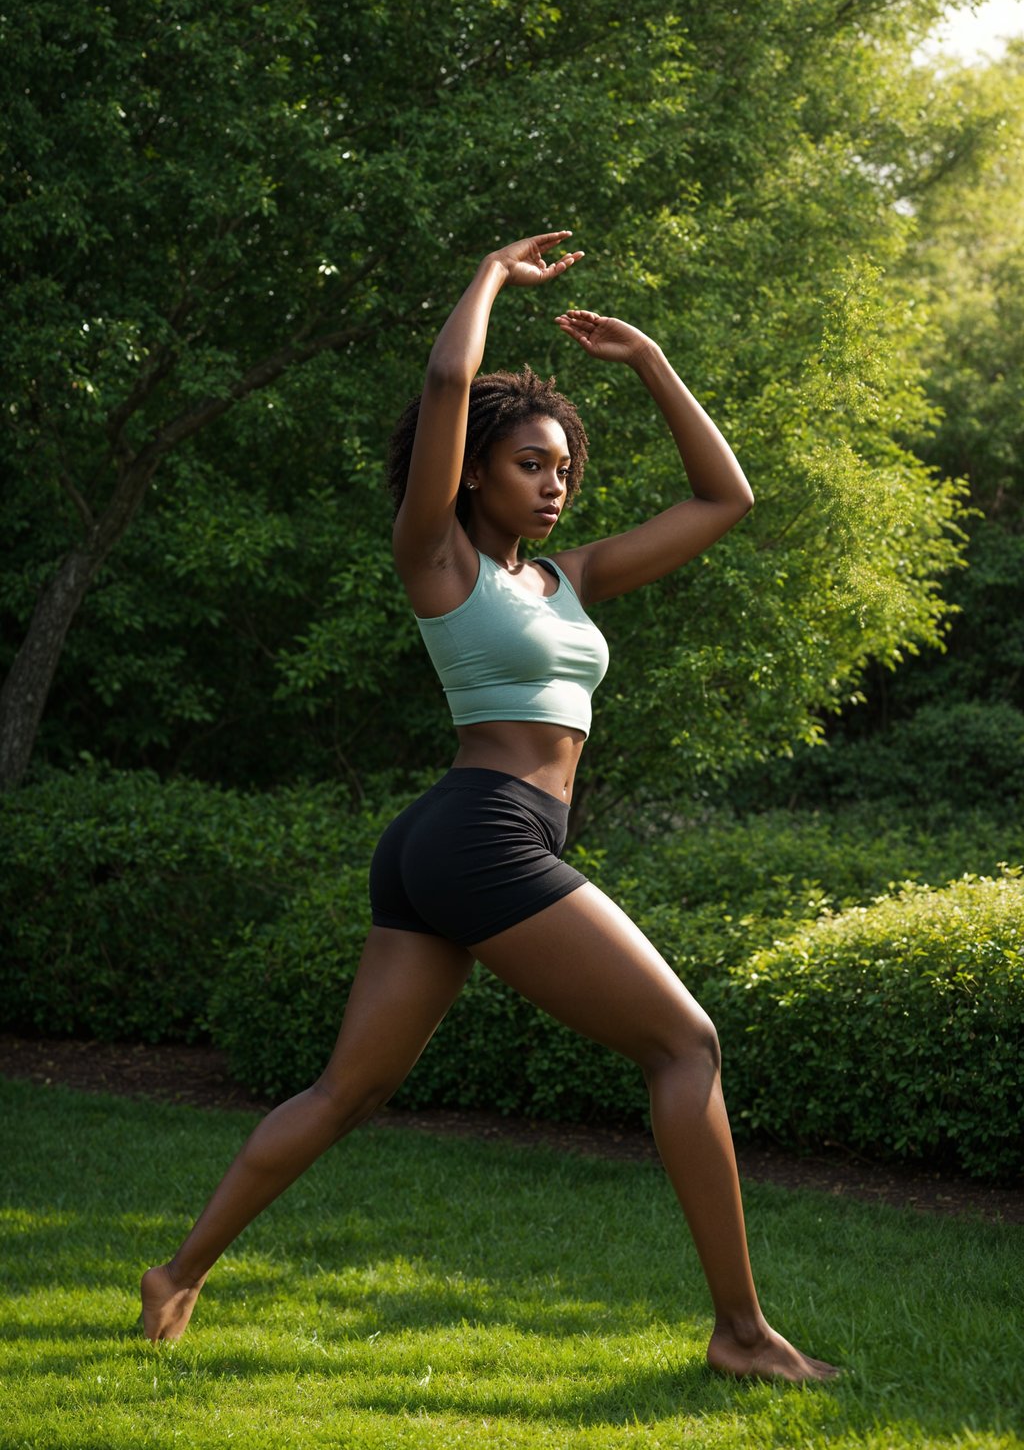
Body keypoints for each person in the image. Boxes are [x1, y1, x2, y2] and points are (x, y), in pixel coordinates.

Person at [141, 230, 839, 1384]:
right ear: (472, 471)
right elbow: (446, 385)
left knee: (349, 1088)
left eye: (563, 468)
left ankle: (179, 1274)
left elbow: (727, 497)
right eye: (529, 464)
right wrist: (489, 279)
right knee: (685, 1044)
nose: (554, 484)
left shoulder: (573, 579)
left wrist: (652, 359)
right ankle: (741, 1333)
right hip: (484, 832)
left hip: (444, 840)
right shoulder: (438, 560)